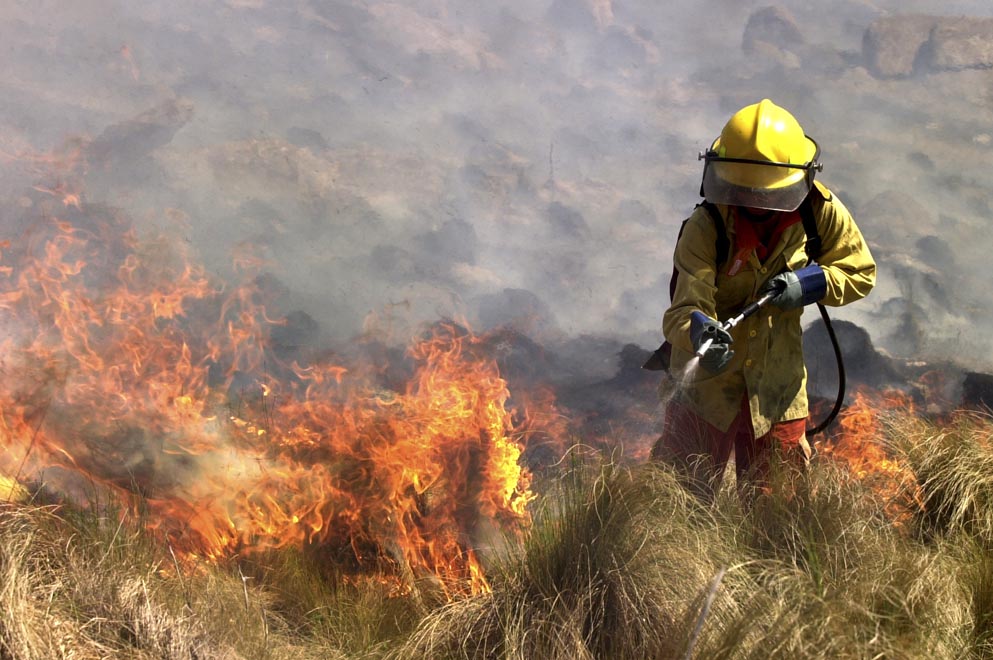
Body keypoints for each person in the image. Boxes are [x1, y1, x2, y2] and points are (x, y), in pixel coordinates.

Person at [650, 99, 876, 500]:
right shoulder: (708, 226)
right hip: (705, 392)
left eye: (762, 193)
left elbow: (859, 272)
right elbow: (683, 311)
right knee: (678, 502)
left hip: (778, 390)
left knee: (777, 511)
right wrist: (701, 331)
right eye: (742, 190)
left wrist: (810, 284)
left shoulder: (818, 212)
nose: (752, 203)